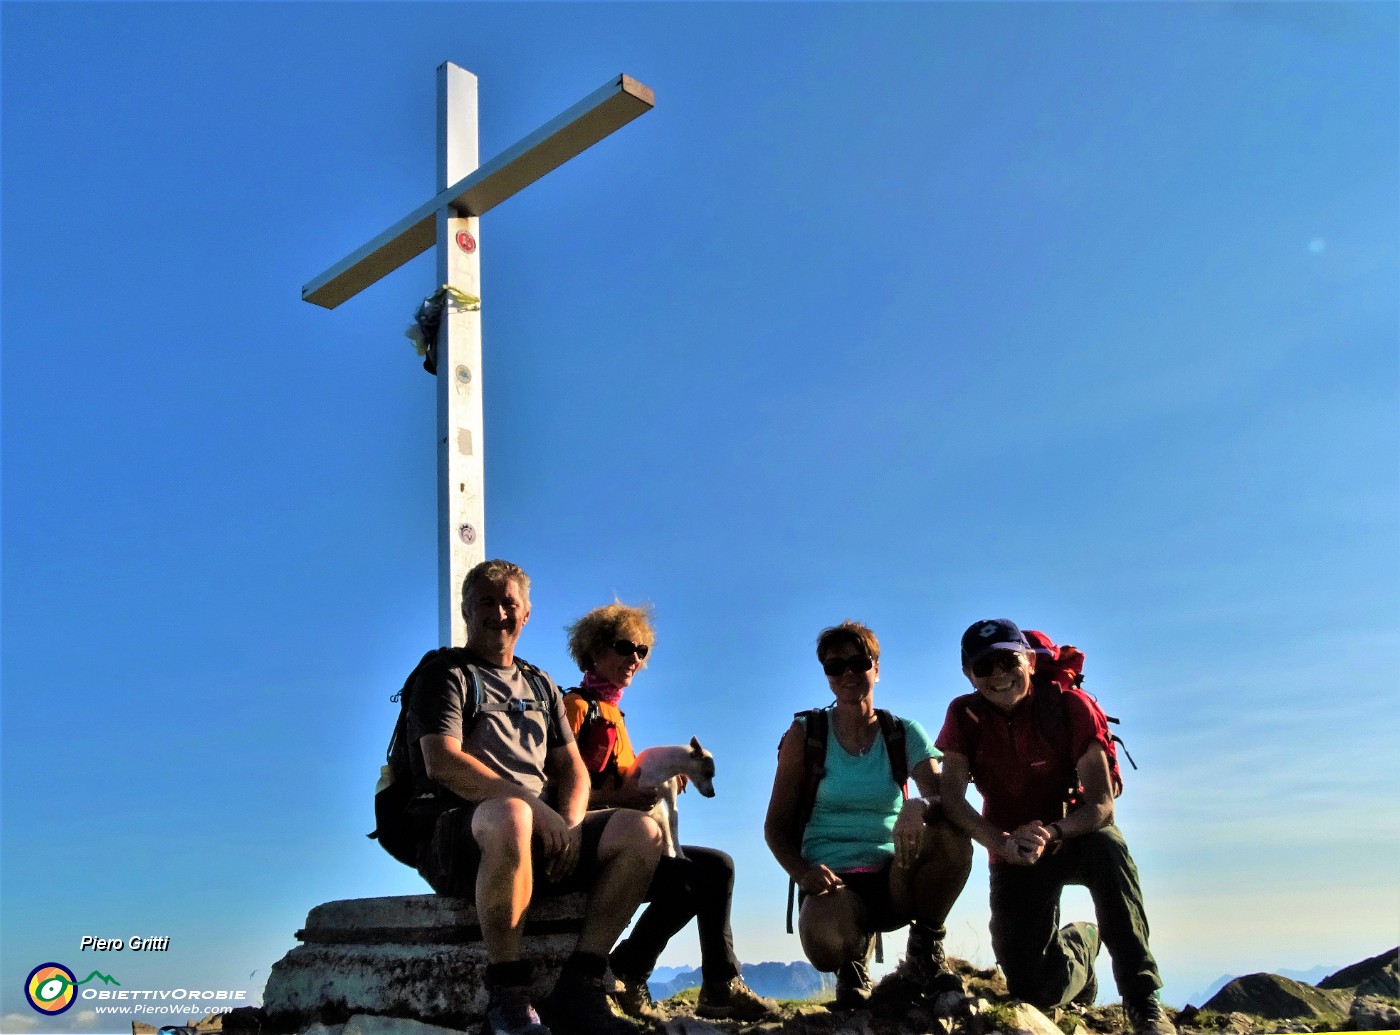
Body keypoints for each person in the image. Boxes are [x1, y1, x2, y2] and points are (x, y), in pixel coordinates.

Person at [406, 560, 663, 1035]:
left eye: (510, 604)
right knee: (511, 815)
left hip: (539, 826)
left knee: (642, 831)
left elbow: (574, 771)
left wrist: (566, 822)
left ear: (526, 615)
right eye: (486, 602)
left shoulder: (540, 684)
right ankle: (508, 995)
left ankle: (581, 987)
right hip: (463, 832)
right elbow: (442, 762)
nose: (499, 613)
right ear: (466, 609)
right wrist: (535, 810)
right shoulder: (446, 674)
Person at [935, 618, 1175, 1035]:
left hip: (1076, 834)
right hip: (1014, 850)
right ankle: (1083, 944)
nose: (997, 675)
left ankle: (1143, 1001)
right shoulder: (964, 715)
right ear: (967, 675)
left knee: (1110, 851)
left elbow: (1102, 804)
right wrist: (1004, 843)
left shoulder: (1069, 707)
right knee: (1033, 990)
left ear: (1029, 660)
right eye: (983, 667)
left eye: (1007, 660)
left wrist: (1054, 832)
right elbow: (953, 798)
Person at [561, 602, 778, 1023]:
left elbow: (619, 780)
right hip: (589, 843)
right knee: (695, 879)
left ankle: (718, 984)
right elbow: (555, 788)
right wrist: (623, 802)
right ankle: (631, 970)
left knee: (718, 866)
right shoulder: (576, 707)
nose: (634, 659)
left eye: (641, 651)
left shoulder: (613, 714)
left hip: (623, 837)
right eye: (625, 647)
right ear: (594, 650)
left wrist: (659, 786)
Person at [765, 621, 973, 1009]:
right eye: (834, 666)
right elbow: (775, 828)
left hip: (898, 871)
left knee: (950, 833)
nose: (847, 674)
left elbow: (947, 798)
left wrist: (919, 806)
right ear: (826, 676)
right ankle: (851, 965)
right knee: (825, 941)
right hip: (833, 883)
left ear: (876, 668)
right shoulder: (805, 735)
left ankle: (926, 948)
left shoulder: (902, 732)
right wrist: (802, 873)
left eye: (859, 663)